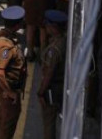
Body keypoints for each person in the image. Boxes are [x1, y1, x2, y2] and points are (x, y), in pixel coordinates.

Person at [0, 5, 27, 139]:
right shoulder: (5, 46)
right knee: (8, 122)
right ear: (17, 25)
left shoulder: (4, 34)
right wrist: (10, 93)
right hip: (9, 87)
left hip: (8, 87)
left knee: (3, 116)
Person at [38, 10, 68, 139]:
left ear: (53, 27)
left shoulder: (54, 49)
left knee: (49, 122)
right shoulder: (65, 41)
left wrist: (41, 92)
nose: (46, 28)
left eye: (47, 25)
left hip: (52, 89)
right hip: (62, 85)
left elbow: (49, 73)